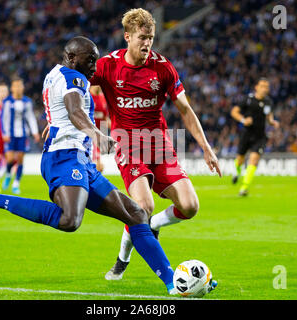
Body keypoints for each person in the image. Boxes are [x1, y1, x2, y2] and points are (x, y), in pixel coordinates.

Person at [0, 36, 181, 295]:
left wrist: (62, 125)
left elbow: (65, 110)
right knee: (69, 219)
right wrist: (96, 135)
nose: (94, 65)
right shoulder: (73, 78)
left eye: (96, 59)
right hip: (64, 157)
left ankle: (174, 283)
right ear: (71, 58)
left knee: (136, 214)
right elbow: (74, 111)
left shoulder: (55, 74)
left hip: (79, 158)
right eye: (89, 59)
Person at [89, 8, 222, 281]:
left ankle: (156, 224)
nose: (147, 43)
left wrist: (207, 148)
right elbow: (77, 85)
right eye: (141, 37)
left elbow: (185, 109)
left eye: (150, 37)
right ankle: (122, 260)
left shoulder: (162, 68)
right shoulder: (107, 66)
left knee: (190, 205)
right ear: (127, 37)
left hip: (159, 145)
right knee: (142, 207)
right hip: (127, 143)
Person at [230, 77, 280, 196]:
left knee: (253, 159)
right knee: (240, 160)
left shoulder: (268, 102)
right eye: (262, 86)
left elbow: (269, 117)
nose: (264, 89)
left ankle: (244, 187)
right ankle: (237, 173)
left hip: (260, 136)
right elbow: (234, 112)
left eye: (266, 87)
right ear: (256, 87)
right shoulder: (248, 99)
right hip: (246, 134)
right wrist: (243, 120)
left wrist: (272, 122)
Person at [1, 77, 40, 194]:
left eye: (20, 86)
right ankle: (8, 174)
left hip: (23, 134)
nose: (18, 88)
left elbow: (30, 117)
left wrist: (35, 132)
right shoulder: (7, 102)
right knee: (10, 159)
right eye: (16, 86)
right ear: (12, 88)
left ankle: (16, 184)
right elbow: (4, 119)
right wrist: (5, 133)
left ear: (23, 87)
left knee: (20, 160)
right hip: (10, 135)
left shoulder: (27, 102)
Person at [90, 85, 110, 172]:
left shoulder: (103, 98)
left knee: (98, 167)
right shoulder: (86, 96)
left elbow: (105, 119)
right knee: (96, 165)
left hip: (98, 135)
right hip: (86, 134)